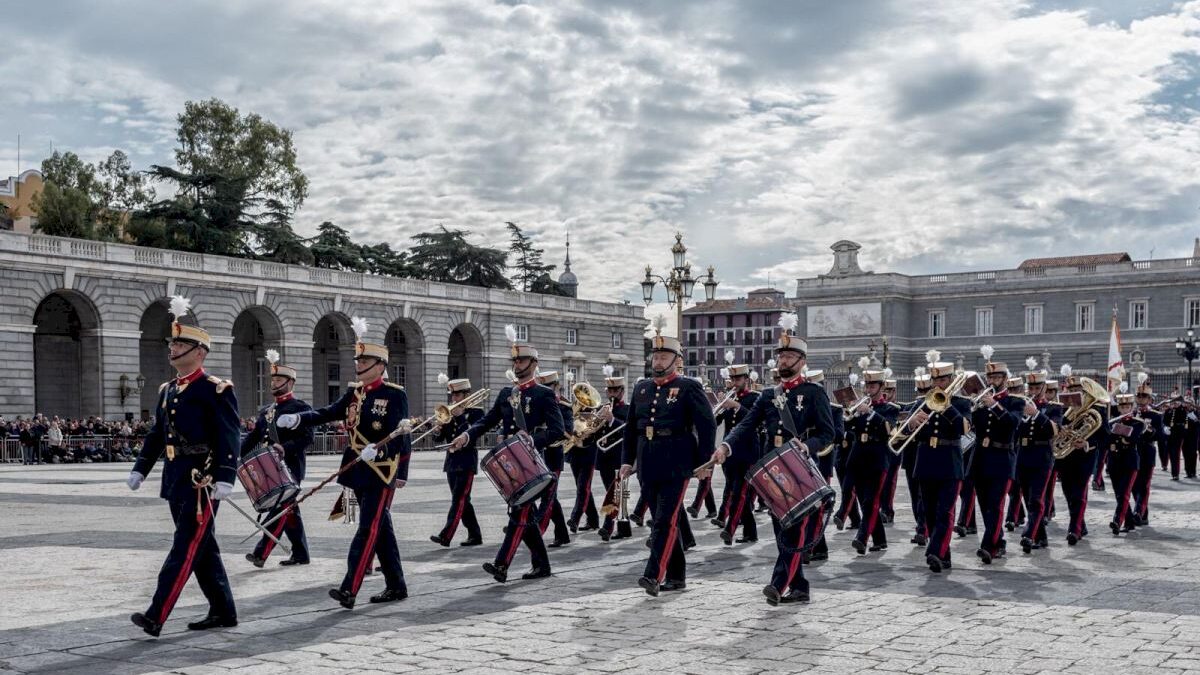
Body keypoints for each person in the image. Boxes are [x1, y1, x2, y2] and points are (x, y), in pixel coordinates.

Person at [277, 317, 411, 609]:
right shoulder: (354, 393)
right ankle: (396, 585)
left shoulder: (393, 395)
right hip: (357, 470)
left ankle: (349, 588)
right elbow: (329, 412)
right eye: (358, 360)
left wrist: (383, 454)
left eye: (365, 361)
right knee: (380, 529)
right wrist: (300, 418)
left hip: (379, 471)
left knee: (367, 530)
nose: (359, 365)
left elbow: (401, 434)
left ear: (380, 365)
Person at [126, 296, 239, 637]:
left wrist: (225, 475)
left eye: (180, 343)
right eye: (172, 342)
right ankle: (223, 609)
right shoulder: (167, 390)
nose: (172, 348)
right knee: (203, 548)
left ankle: (156, 613)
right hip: (176, 477)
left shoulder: (215, 389)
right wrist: (141, 467)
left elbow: (229, 435)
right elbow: (158, 434)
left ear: (199, 352)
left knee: (186, 545)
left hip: (200, 480)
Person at [713, 313, 834, 605]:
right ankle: (801, 587)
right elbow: (745, 425)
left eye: (790, 356)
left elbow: (828, 434)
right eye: (781, 356)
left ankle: (778, 584)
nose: (783, 361)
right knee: (782, 529)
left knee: (794, 530)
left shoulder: (814, 393)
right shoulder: (768, 395)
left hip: (800, 468)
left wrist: (808, 445)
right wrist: (726, 446)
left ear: (802, 362)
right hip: (773, 468)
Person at [449, 326, 565, 583]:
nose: (517, 364)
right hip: (510, 464)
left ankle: (502, 565)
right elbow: (487, 422)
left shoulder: (544, 394)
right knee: (524, 514)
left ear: (534, 364)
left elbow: (559, 431)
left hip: (533, 462)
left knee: (520, 512)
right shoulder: (506, 393)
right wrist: (466, 435)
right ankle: (542, 565)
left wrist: (532, 439)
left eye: (522, 360)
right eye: (515, 360)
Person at [619, 332, 716, 597]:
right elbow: (630, 430)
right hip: (648, 458)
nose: (658, 361)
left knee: (664, 520)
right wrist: (627, 461)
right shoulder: (641, 387)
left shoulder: (688, 387)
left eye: (664, 356)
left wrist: (704, 463)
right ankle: (677, 576)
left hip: (677, 459)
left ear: (677, 360)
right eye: (656, 356)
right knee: (662, 519)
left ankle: (653, 575)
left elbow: (707, 426)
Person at [241, 350, 313, 567]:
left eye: (279, 379)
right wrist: (237, 457)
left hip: (290, 465)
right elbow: (253, 437)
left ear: (291, 383)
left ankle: (261, 553)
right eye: (272, 379)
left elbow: (307, 437)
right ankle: (301, 553)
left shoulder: (300, 408)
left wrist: (285, 447)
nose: (274, 383)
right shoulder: (267, 411)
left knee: (281, 507)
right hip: (268, 467)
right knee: (289, 510)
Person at [908, 351, 972, 573]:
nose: (938, 383)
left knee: (945, 511)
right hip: (925, 461)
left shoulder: (961, 403)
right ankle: (943, 556)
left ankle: (934, 551)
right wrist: (912, 423)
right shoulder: (921, 403)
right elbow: (903, 432)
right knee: (931, 512)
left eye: (942, 380)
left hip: (949, 461)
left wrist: (946, 406)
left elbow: (964, 428)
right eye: (935, 379)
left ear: (951, 380)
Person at [840, 368, 899, 555]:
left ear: (881, 387)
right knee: (862, 499)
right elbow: (848, 428)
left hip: (877, 458)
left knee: (871, 500)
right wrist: (850, 412)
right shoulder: (860, 406)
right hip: (858, 456)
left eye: (872, 385)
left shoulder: (889, 408)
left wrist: (871, 414)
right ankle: (880, 539)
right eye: (867, 385)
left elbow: (889, 429)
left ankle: (862, 538)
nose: (868, 388)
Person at [969, 357, 1023, 562]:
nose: (992, 380)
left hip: (1002, 459)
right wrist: (973, 407)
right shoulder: (980, 403)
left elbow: (1013, 424)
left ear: (1005, 379)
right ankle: (999, 541)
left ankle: (988, 546)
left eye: (996, 376)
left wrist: (994, 406)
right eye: (989, 376)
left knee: (997, 504)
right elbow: (972, 428)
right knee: (985, 506)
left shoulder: (1015, 401)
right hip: (981, 459)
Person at [431, 375, 484, 547]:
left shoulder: (477, 412)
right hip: (452, 461)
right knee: (463, 500)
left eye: (457, 395)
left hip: (467, 461)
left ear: (466, 394)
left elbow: (474, 434)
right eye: (452, 395)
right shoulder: (449, 413)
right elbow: (440, 440)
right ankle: (475, 534)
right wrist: (437, 430)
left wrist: (461, 417)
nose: (453, 398)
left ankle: (446, 535)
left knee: (459, 499)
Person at [1013, 368, 1062, 552]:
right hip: (1023, 456)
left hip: (1042, 456)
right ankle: (1041, 537)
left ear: (1043, 387)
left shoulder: (1054, 407)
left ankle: (1029, 535)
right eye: (1030, 387)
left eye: (1036, 387)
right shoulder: (1020, 405)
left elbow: (1055, 429)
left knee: (1036, 499)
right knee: (1027, 498)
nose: (1032, 391)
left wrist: (1036, 414)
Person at [715, 363, 761, 546]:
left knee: (739, 493)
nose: (734, 382)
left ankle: (730, 529)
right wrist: (718, 406)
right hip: (730, 452)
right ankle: (751, 532)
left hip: (747, 452)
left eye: (738, 379)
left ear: (746, 380)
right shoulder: (729, 397)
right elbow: (716, 420)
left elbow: (754, 420)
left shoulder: (755, 398)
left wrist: (736, 406)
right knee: (735, 491)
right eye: (732, 379)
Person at [537, 371, 573, 547]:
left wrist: (549, 429)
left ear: (556, 386)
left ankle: (536, 530)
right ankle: (562, 534)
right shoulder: (540, 402)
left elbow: (567, 433)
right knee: (550, 496)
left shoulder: (564, 406)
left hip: (553, 455)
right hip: (539, 455)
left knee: (548, 496)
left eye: (548, 387)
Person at [597, 366, 628, 541]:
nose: (612, 393)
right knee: (618, 493)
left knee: (614, 494)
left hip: (619, 458)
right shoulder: (603, 408)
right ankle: (624, 528)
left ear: (622, 391)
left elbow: (627, 431)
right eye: (609, 390)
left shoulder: (627, 409)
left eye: (615, 390)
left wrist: (612, 420)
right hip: (604, 457)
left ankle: (608, 526)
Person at [1107, 392, 1144, 535]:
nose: (1124, 410)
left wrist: (1116, 429)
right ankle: (1129, 522)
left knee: (1124, 493)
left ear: (1132, 407)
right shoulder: (1112, 421)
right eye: (1122, 407)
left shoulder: (1138, 422)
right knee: (1118, 494)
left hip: (1129, 462)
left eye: (1127, 407)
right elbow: (1106, 440)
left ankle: (1117, 520)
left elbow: (1133, 437)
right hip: (1114, 462)